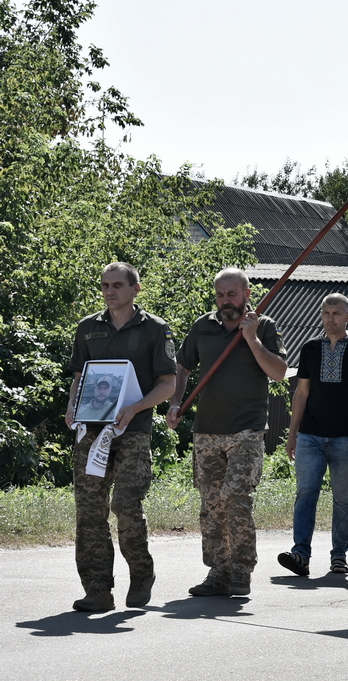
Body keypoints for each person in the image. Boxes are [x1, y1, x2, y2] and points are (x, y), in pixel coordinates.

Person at [168, 267, 287, 597]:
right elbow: (182, 364)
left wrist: (252, 341)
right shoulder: (203, 327)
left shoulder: (263, 326)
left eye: (232, 294)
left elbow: (278, 372)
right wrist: (176, 402)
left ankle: (241, 569)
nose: (225, 301)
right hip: (206, 430)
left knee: (236, 497)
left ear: (247, 294)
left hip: (246, 430)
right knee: (211, 504)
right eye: (220, 295)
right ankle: (218, 571)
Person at [65, 262, 177, 613]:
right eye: (105, 285)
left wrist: (136, 407)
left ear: (135, 289)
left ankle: (142, 572)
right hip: (91, 431)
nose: (109, 291)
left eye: (117, 285)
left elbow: (168, 384)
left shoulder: (155, 329)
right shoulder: (88, 328)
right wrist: (71, 406)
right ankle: (98, 590)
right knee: (89, 510)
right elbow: (79, 377)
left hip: (133, 431)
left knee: (125, 506)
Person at [276, 293, 348, 578]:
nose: (330, 318)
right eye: (326, 313)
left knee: (343, 498)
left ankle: (339, 556)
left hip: (347, 438)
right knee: (306, 494)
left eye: (336, 313)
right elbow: (301, 392)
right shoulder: (309, 348)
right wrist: (292, 434)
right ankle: (300, 554)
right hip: (310, 436)